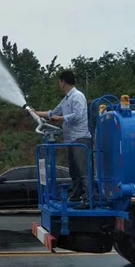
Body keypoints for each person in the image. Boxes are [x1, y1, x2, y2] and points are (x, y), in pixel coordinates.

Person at [34, 70, 92, 206]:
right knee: (74, 171)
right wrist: (34, 112)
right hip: (71, 140)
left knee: (83, 171)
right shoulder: (66, 99)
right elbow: (52, 113)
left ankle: (88, 200)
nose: (58, 84)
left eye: (59, 82)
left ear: (63, 81)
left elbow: (77, 115)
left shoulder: (77, 96)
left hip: (81, 139)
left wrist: (60, 118)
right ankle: (77, 196)